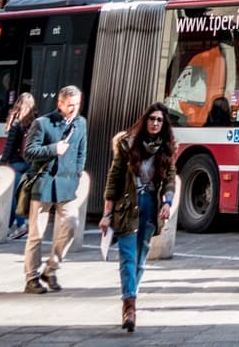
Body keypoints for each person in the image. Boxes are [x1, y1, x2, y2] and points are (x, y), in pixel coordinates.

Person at [104, 107, 177, 333]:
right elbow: (114, 179)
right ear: (145, 121)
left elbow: (170, 179)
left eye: (159, 120)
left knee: (141, 258)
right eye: (152, 119)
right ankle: (130, 306)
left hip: (149, 206)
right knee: (127, 255)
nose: (155, 123)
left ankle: (130, 297)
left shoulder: (165, 148)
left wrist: (167, 201)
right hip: (128, 206)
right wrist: (107, 214)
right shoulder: (128, 144)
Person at [22, 85, 89, 295]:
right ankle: (31, 278)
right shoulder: (42, 123)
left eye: (77, 105)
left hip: (67, 185)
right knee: (36, 234)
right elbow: (29, 152)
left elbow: (81, 152)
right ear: (59, 104)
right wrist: (53, 149)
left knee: (71, 225)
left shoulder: (80, 123)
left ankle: (51, 269)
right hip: (44, 184)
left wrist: (77, 174)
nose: (74, 109)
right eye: (70, 105)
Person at [3, 92, 38, 241]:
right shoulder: (36, 121)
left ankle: (20, 224)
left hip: (17, 163)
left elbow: (10, 145)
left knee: (13, 196)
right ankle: (9, 225)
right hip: (30, 163)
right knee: (20, 195)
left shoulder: (16, 121)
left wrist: (3, 162)